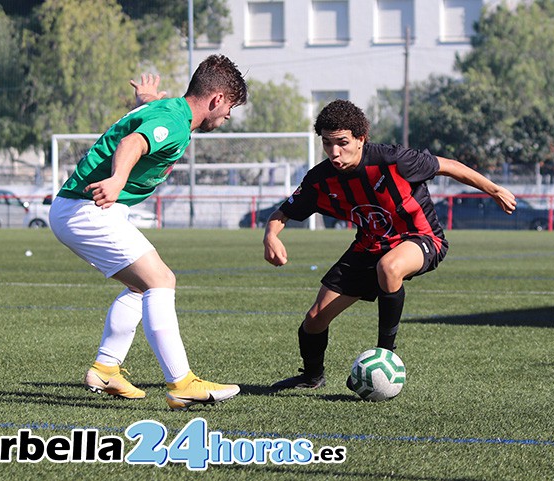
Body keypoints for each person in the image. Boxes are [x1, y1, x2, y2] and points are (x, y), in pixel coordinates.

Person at [263, 99, 516, 390]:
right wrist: (271, 235)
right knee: (314, 320)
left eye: (342, 142)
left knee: (390, 266)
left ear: (361, 139)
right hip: (368, 246)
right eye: (327, 143)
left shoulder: (394, 161)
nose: (334, 152)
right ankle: (311, 377)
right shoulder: (321, 179)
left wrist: (494, 189)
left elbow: (449, 166)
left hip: (421, 238)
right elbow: (282, 212)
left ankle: (385, 356)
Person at [49, 55, 248, 410]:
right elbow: (133, 144)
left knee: (141, 285)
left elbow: (145, 124)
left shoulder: (169, 111)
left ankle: (106, 367)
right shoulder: (173, 121)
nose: (228, 116)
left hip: (80, 208)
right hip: (89, 209)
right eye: (230, 106)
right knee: (161, 281)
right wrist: (117, 180)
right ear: (216, 99)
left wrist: (145, 100)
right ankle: (182, 383)